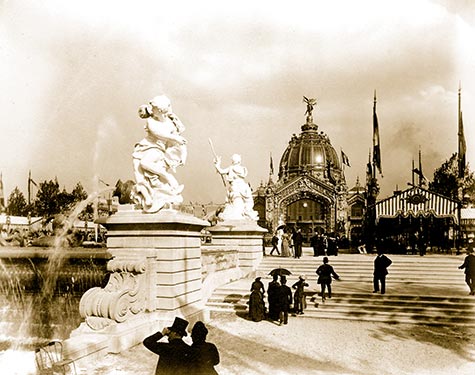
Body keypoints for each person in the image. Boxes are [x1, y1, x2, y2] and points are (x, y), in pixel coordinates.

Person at [132, 95, 187, 213]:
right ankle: (147, 196)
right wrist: (174, 138)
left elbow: (181, 142)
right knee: (138, 172)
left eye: (153, 108)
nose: (150, 110)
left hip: (158, 149)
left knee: (145, 163)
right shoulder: (151, 120)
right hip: (145, 146)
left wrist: (183, 156)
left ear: (161, 111)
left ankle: (168, 178)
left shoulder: (171, 124)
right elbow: (157, 133)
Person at [214, 154, 259, 221]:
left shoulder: (231, 168)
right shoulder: (243, 169)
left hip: (235, 187)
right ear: (239, 161)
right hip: (243, 187)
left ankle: (240, 214)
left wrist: (217, 164)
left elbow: (221, 171)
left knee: (236, 203)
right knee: (246, 203)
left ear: (232, 161)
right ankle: (245, 213)